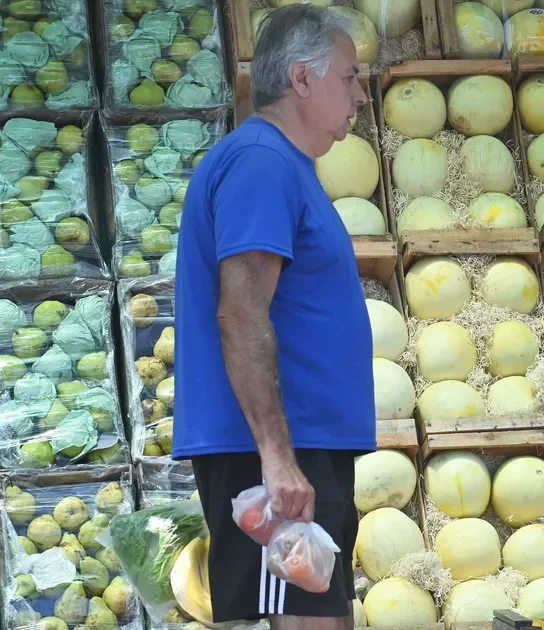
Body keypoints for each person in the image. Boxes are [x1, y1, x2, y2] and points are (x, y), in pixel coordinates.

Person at [171, 4, 373, 629]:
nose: (361, 96)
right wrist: (277, 456)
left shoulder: (284, 166)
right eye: (350, 76)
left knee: (321, 617)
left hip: (303, 445)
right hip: (280, 454)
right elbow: (240, 310)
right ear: (303, 79)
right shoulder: (261, 161)